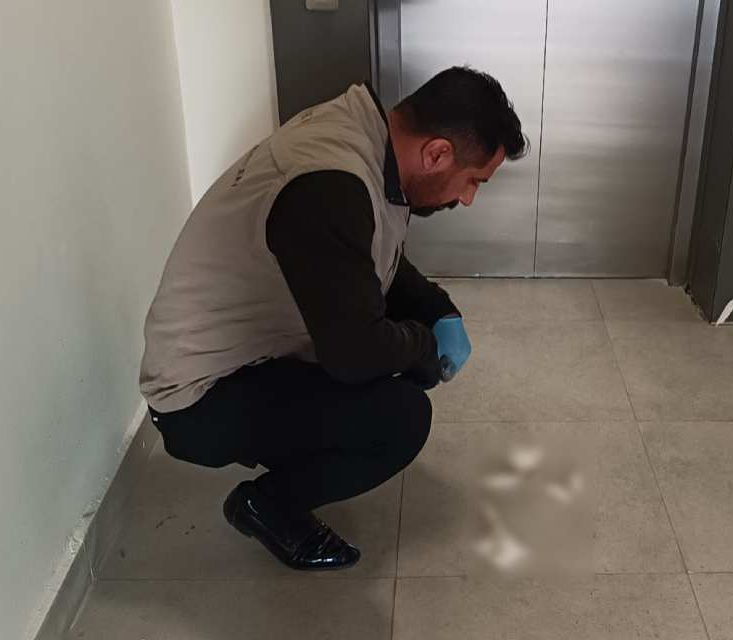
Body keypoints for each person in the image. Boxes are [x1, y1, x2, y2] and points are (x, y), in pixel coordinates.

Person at [138, 67, 528, 570]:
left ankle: (293, 451)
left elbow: (364, 259)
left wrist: (437, 311)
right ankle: (267, 505)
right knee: (399, 419)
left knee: (389, 363)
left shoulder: (365, 140)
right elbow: (355, 354)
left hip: (240, 356)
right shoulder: (329, 186)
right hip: (198, 397)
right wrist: (424, 349)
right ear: (436, 153)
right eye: (473, 181)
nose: (468, 198)